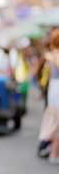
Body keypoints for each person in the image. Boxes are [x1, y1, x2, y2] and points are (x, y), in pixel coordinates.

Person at [37, 28, 59, 164]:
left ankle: (49, 149)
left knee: (54, 120)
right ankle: (53, 153)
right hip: (56, 90)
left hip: (53, 90)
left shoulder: (51, 54)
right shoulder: (56, 55)